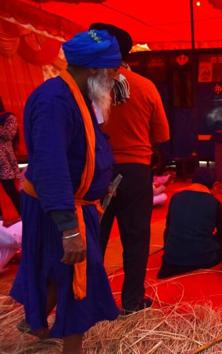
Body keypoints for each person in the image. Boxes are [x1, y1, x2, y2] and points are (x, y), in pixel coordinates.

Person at [10, 30, 121, 354]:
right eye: (113, 69)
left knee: (64, 272)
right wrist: (69, 227)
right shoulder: (53, 102)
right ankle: (70, 346)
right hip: (60, 207)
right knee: (75, 282)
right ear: (93, 70)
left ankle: (37, 319)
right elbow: (51, 165)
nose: (117, 75)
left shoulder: (80, 95)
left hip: (77, 205)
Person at [95, 23, 170, 314]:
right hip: (137, 172)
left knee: (95, 238)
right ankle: (132, 302)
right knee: (136, 239)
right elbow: (162, 135)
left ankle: (91, 301)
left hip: (99, 170)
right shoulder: (145, 86)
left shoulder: (89, 85)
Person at [158, 167, 222, 278]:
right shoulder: (214, 203)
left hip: (172, 258)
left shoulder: (176, 198)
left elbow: (168, 228)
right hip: (202, 257)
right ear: (213, 184)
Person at [0, 97, 21, 213]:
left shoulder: (8, 117)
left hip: (4, 161)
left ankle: (24, 216)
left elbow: (9, 135)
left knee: (11, 191)